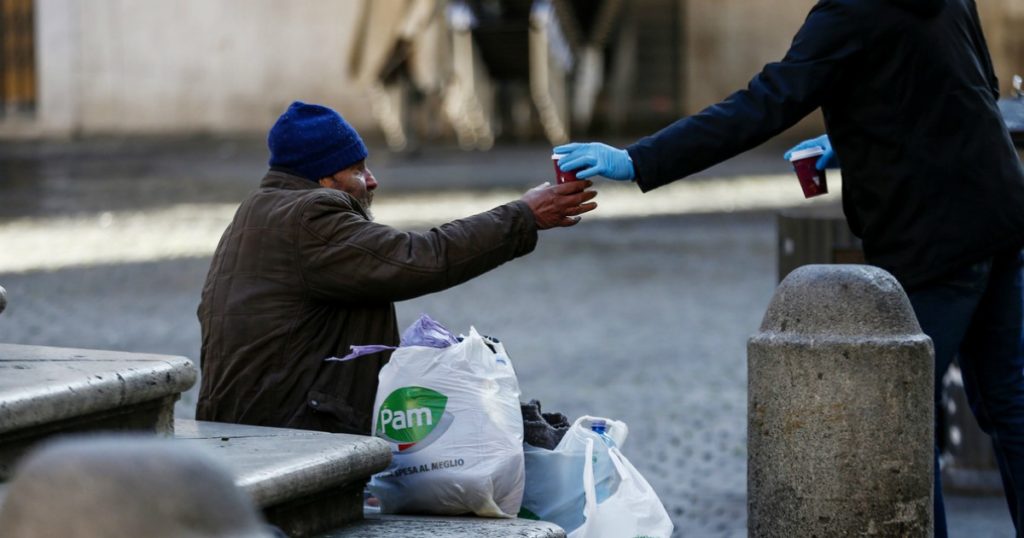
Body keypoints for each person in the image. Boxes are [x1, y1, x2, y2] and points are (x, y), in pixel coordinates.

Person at [554, 0, 1024, 535]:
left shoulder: (849, 10)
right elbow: (969, 87)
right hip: (1001, 214)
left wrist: (639, 159)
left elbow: (765, 104)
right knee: (1012, 405)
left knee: (905, 424)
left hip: (933, 237)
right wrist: (857, 138)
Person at [197, 101, 596, 436]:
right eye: (357, 170)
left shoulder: (259, 211)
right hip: (288, 428)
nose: (372, 181)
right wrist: (523, 215)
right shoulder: (308, 217)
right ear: (323, 178)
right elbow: (418, 257)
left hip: (255, 419)